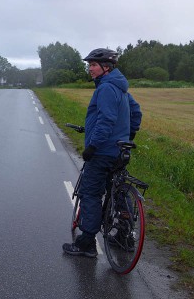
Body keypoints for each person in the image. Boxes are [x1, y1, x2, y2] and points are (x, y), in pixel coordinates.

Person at [62, 48, 142, 257]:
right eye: (89, 65)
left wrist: (93, 146)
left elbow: (106, 120)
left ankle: (86, 243)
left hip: (103, 152)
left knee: (91, 193)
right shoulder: (121, 87)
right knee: (117, 190)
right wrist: (128, 136)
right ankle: (124, 236)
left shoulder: (106, 88)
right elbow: (136, 112)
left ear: (106, 67)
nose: (90, 69)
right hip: (119, 151)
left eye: (94, 65)